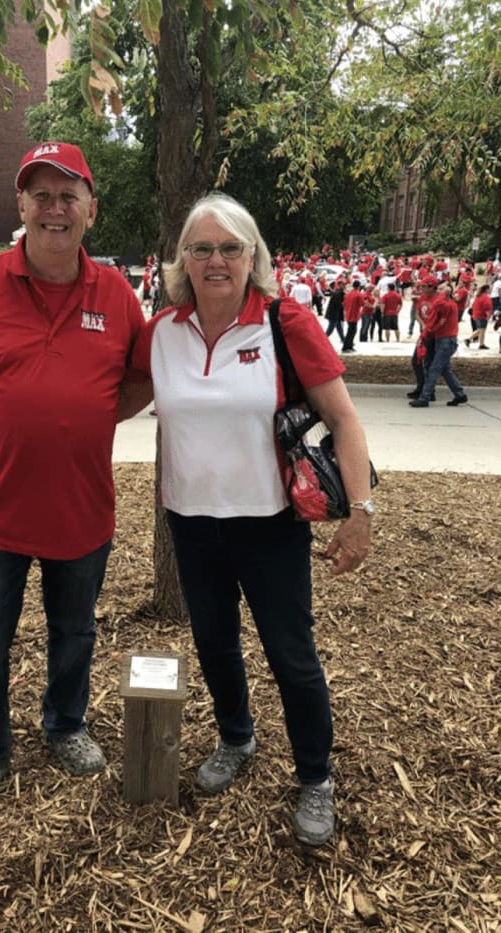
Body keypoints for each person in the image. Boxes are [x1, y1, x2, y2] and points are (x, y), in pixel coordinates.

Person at [120, 193, 374, 846]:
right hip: (192, 523)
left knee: (292, 655)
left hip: (270, 526)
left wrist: (361, 511)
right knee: (214, 643)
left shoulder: (284, 323)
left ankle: (315, 775)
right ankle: (236, 736)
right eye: (201, 248)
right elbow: (109, 397)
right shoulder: (164, 332)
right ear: (182, 259)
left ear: (252, 255)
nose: (215, 260)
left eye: (230, 247)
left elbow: (344, 419)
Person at [0, 142, 145, 819]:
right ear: (21, 205)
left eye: (68, 194)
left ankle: (65, 724)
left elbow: (138, 377)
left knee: (74, 631)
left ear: (90, 210)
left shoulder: (116, 293)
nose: (54, 208)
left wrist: (87, 409)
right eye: (40, 194)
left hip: (81, 508)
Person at [410, 282, 467, 407]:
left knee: (434, 369)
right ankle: (460, 394)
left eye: (441, 289)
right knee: (445, 369)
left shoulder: (445, 304)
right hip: (445, 340)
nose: (439, 291)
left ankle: (425, 397)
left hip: (445, 341)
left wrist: (443, 294)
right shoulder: (449, 304)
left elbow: (435, 313)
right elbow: (433, 321)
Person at [464, 284, 493, 350]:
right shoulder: (486, 297)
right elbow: (487, 307)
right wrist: (488, 317)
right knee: (481, 330)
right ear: (486, 290)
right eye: (489, 289)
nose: (490, 290)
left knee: (481, 330)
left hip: (476, 314)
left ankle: (480, 344)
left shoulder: (478, 296)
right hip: (482, 315)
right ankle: (471, 340)